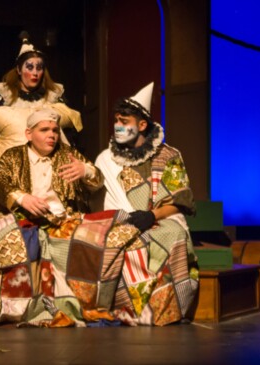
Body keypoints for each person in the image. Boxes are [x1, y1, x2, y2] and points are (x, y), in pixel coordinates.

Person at [93, 82, 199, 326]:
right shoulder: (106, 158)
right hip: (123, 219)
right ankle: (119, 307)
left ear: (142, 125)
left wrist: (152, 216)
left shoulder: (168, 156)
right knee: (114, 241)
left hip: (162, 218)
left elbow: (181, 202)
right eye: (116, 120)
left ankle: (165, 308)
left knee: (173, 236)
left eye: (125, 121)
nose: (118, 126)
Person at [0, 32, 82, 175]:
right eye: (29, 67)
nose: (35, 73)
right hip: (11, 166)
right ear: (19, 70)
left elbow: (68, 133)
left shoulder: (54, 98)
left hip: (47, 165)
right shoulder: (1, 97)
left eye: (39, 67)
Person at [0, 108, 103, 223]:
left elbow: (99, 181)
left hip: (65, 220)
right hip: (23, 220)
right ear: (29, 134)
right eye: (44, 130)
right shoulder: (13, 156)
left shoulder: (68, 154)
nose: (51, 135)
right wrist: (21, 198)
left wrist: (86, 170)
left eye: (55, 131)